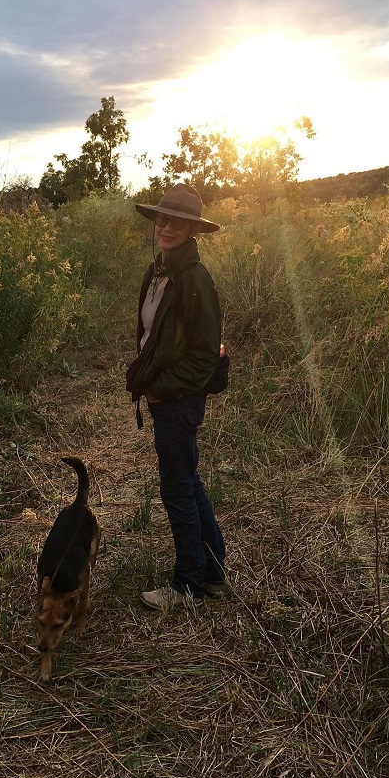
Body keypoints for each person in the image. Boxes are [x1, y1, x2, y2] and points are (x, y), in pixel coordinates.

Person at [125, 183, 227, 609]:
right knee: (188, 480)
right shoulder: (159, 271)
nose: (166, 227)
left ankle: (187, 586)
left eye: (177, 222)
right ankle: (213, 572)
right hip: (166, 397)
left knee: (177, 488)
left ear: (192, 230)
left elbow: (204, 359)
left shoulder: (194, 280)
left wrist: (157, 388)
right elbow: (154, 335)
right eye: (162, 219)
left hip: (179, 401)